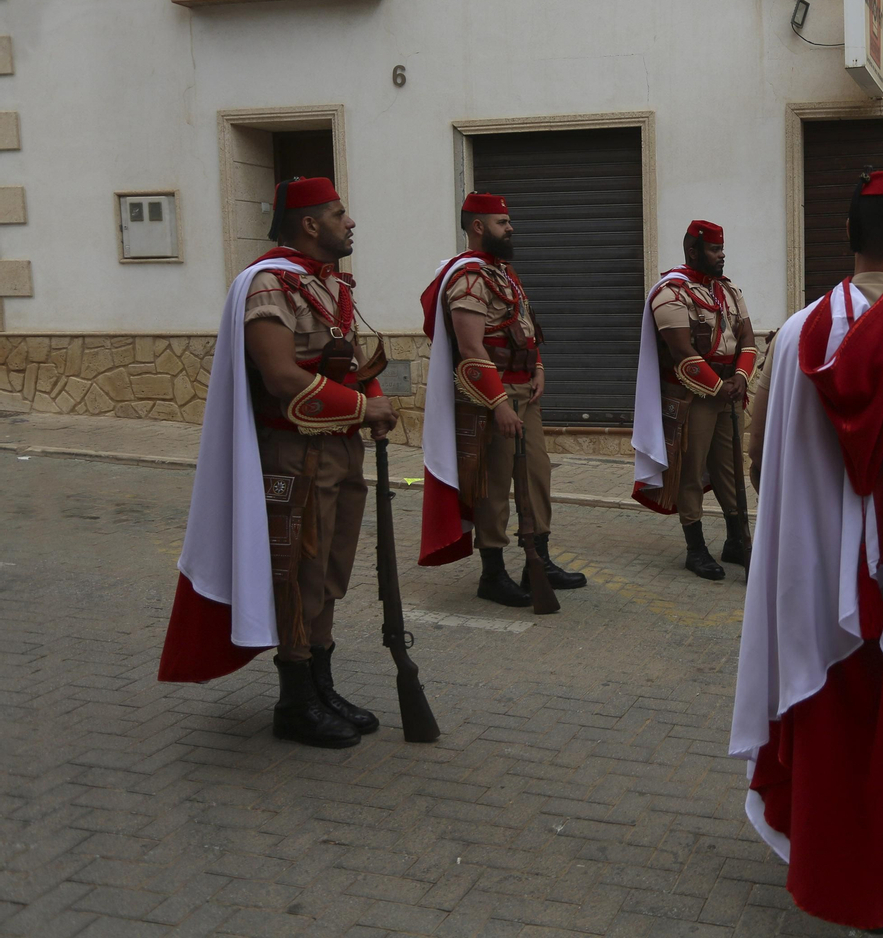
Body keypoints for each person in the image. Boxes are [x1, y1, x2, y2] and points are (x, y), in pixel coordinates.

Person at [730, 170, 883, 934]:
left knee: (829, 724)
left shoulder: (798, 330)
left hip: (812, 578)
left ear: (845, 236)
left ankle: (826, 874)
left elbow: (763, 449)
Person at [157, 177, 400, 749]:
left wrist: (372, 400)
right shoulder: (271, 283)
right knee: (298, 572)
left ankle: (321, 683)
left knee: (331, 571)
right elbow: (282, 375)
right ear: (310, 224)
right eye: (340, 213)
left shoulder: (329, 285)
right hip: (294, 451)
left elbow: (343, 361)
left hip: (339, 445)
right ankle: (295, 702)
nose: (351, 222)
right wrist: (366, 406)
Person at [417, 193, 587, 601]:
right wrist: (497, 404)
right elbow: (472, 347)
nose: (511, 228)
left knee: (537, 476)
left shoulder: (503, 273)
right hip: (491, 394)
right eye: (502, 222)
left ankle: (538, 560)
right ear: (478, 226)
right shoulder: (470, 276)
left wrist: (539, 367)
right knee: (493, 484)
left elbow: (525, 326)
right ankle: (492, 573)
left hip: (525, 388)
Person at [630, 220, 757, 580]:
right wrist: (722, 387)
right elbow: (681, 351)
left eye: (722, 249)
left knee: (730, 469)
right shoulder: (670, 292)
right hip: (694, 395)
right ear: (693, 251)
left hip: (731, 390)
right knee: (690, 468)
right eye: (715, 250)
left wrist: (740, 378)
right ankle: (695, 547)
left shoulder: (728, 291)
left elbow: (748, 338)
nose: (722, 256)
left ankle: (736, 540)